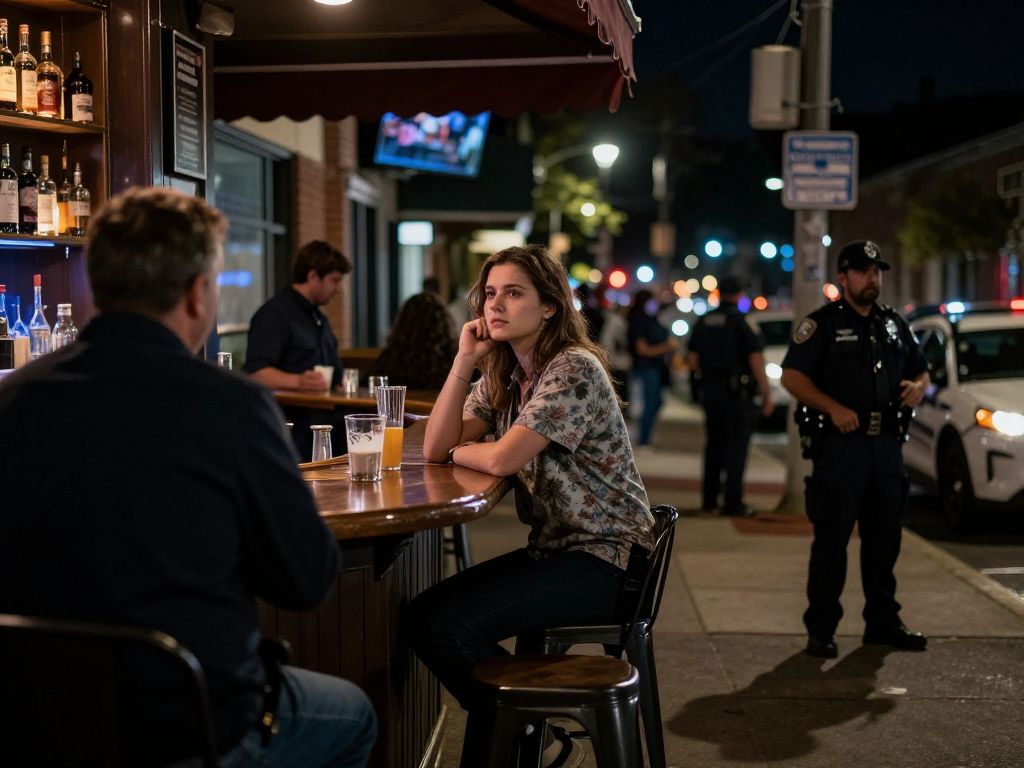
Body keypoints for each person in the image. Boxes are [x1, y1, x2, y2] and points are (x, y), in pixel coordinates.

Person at [0, 188, 376, 767]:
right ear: (199, 293)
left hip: (34, 721)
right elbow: (305, 581)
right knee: (354, 715)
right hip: (190, 720)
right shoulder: (233, 407)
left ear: (100, 285)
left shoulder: (11, 399)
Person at [410, 244, 655, 768]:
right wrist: (463, 361)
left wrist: (462, 450)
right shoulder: (506, 371)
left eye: (514, 293)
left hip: (607, 558)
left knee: (443, 624)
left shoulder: (572, 369)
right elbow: (434, 447)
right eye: (490, 294)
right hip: (559, 549)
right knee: (426, 615)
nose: (495, 305)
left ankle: (522, 732)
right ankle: (524, 732)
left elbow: (500, 459)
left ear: (549, 306)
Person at [781, 239, 930, 659]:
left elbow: (921, 369)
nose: (872, 279)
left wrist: (918, 387)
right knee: (832, 541)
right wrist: (832, 407)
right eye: (864, 271)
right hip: (841, 448)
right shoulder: (823, 324)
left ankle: (882, 623)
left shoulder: (892, 323)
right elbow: (792, 376)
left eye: (877, 271)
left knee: (885, 540)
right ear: (843, 278)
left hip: (886, 447)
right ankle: (822, 628)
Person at [244, 240, 351, 458]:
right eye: (334, 281)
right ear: (313, 276)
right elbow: (255, 373)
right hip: (296, 433)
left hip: (330, 426)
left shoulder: (317, 316)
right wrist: (298, 382)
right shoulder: (274, 316)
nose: (339, 289)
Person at [687, 275, 774, 516]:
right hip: (737, 394)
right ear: (738, 295)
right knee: (736, 447)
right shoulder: (742, 321)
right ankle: (732, 502)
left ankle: (709, 500)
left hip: (712, 392)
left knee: (714, 446)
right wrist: (766, 393)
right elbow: (756, 358)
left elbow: (693, 359)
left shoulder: (704, 321)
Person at [370, 289, 458, 390]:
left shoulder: (392, 356)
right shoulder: (452, 359)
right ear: (444, 323)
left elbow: (369, 383)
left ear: (404, 323)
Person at [627, 288, 677, 447]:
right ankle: (643, 438)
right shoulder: (639, 321)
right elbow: (642, 350)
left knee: (656, 402)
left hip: (654, 369)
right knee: (649, 404)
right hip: (645, 368)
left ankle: (645, 435)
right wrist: (666, 347)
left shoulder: (650, 319)